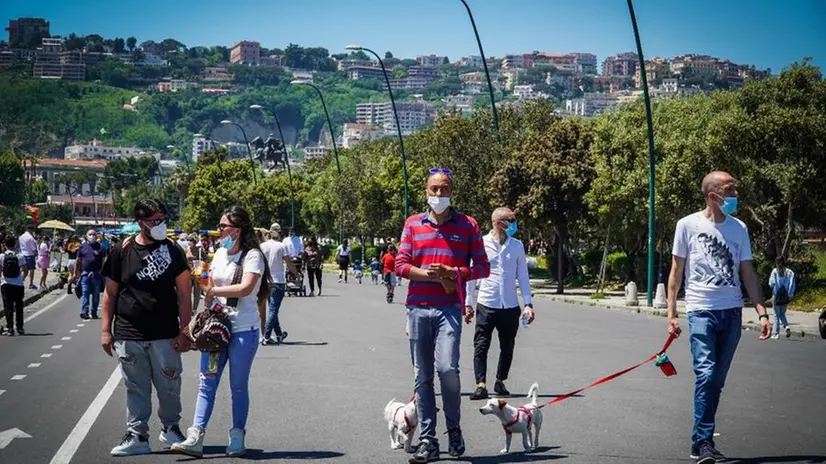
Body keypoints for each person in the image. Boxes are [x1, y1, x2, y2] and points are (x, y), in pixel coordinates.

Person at [666, 171, 771, 464]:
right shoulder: (687, 225)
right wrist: (671, 314)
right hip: (701, 310)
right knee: (707, 375)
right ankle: (703, 443)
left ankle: (700, 440)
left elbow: (747, 273)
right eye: (730, 189)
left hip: (732, 312)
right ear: (713, 195)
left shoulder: (740, 229)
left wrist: (762, 311)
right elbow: (676, 272)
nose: (736, 193)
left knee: (717, 381)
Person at [395, 168, 490, 463]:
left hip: (448, 309)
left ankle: (454, 428)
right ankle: (428, 440)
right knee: (422, 376)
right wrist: (434, 277)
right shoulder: (413, 224)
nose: (438, 195)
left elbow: (482, 267)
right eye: (434, 189)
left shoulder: (468, 225)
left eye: (444, 189)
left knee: (448, 369)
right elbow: (400, 264)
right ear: (426, 191)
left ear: (452, 192)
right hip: (418, 308)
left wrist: (455, 273)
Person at [173, 206, 269, 458]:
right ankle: (196, 435)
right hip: (216, 330)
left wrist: (215, 291)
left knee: (237, 385)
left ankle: (237, 435)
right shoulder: (220, 254)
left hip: (242, 330)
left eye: (223, 226)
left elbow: (246, 288)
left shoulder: (253, 256)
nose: (220, 231)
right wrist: (204, 282)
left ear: (237, 230)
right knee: (207, 381)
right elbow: (211, 283)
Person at [101, 199, 192, 456]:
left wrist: (185, 331)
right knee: (135, 387)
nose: (160, 225)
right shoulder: (121, 251)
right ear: (141, 223)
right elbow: (110, 294)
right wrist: (106, 330)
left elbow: (185, 294)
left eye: (163, 219)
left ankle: (171, 428)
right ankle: (137, 435)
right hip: (129, 334)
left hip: (165, 334)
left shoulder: (173, 250)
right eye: (155, 221)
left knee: (169, 386)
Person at [465, 207, 534, 400]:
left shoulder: (517, 245)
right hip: (487, 303)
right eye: (510, 221)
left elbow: (523, 275)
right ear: (498, 222)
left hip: (510, 306)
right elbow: (472, 275)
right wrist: (468, 303)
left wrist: (528, 304)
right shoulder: (481, 243)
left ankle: (499, 380)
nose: (514, 224)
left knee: (508, 347)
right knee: (481, 345)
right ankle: (481, 384)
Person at [260, 225, 298, 345]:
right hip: (278, 281)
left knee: (272, 308)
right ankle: (266, 336)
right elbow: (289, 262)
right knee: (273, 309)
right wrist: (296, 274)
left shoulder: (262, 246)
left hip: (265, 281)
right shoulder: (282, 246)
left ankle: (279, 334)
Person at [74, 229, 105, 320]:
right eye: (90, 234)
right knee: (85, 293)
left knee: (96, 295)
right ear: (86, 236)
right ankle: (84, 311)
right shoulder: (82, 247)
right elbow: (78, 260)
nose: (92, 236)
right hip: (85, 274)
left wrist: (103, 274)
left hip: (96, 274)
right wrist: (75, 273)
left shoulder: (101, 247)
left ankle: (94, 311)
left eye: (93, 234)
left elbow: (104, 261)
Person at [1, 236, 27, 336]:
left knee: (8, 307)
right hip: (18, 284)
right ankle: (20, 327)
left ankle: (10, 327)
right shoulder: (20, 256)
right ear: (15, 244)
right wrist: (22, 278)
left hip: (6, 284)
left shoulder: (2, 256)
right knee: (19, 306)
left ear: (5, 245)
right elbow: (25, 270)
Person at [769, 256, 796, 339]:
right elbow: (792, 285)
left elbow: (771, 283)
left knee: (776, 315)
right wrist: (790, 295)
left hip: (776, 296)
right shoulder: (790, 272)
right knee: (782, 313)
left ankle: (776, 333)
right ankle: (786, 326)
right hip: (786, 297)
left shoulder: (775, 271)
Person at [18, 225, 37, 290]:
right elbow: (33, 249)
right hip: (30, 255)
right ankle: (31, 284)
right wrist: (36, 254)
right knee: (31, 270)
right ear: (31, 230)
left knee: (22, 269)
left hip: (22, 254)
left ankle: (19, 281)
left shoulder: (21, 237)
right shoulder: (30, 238)